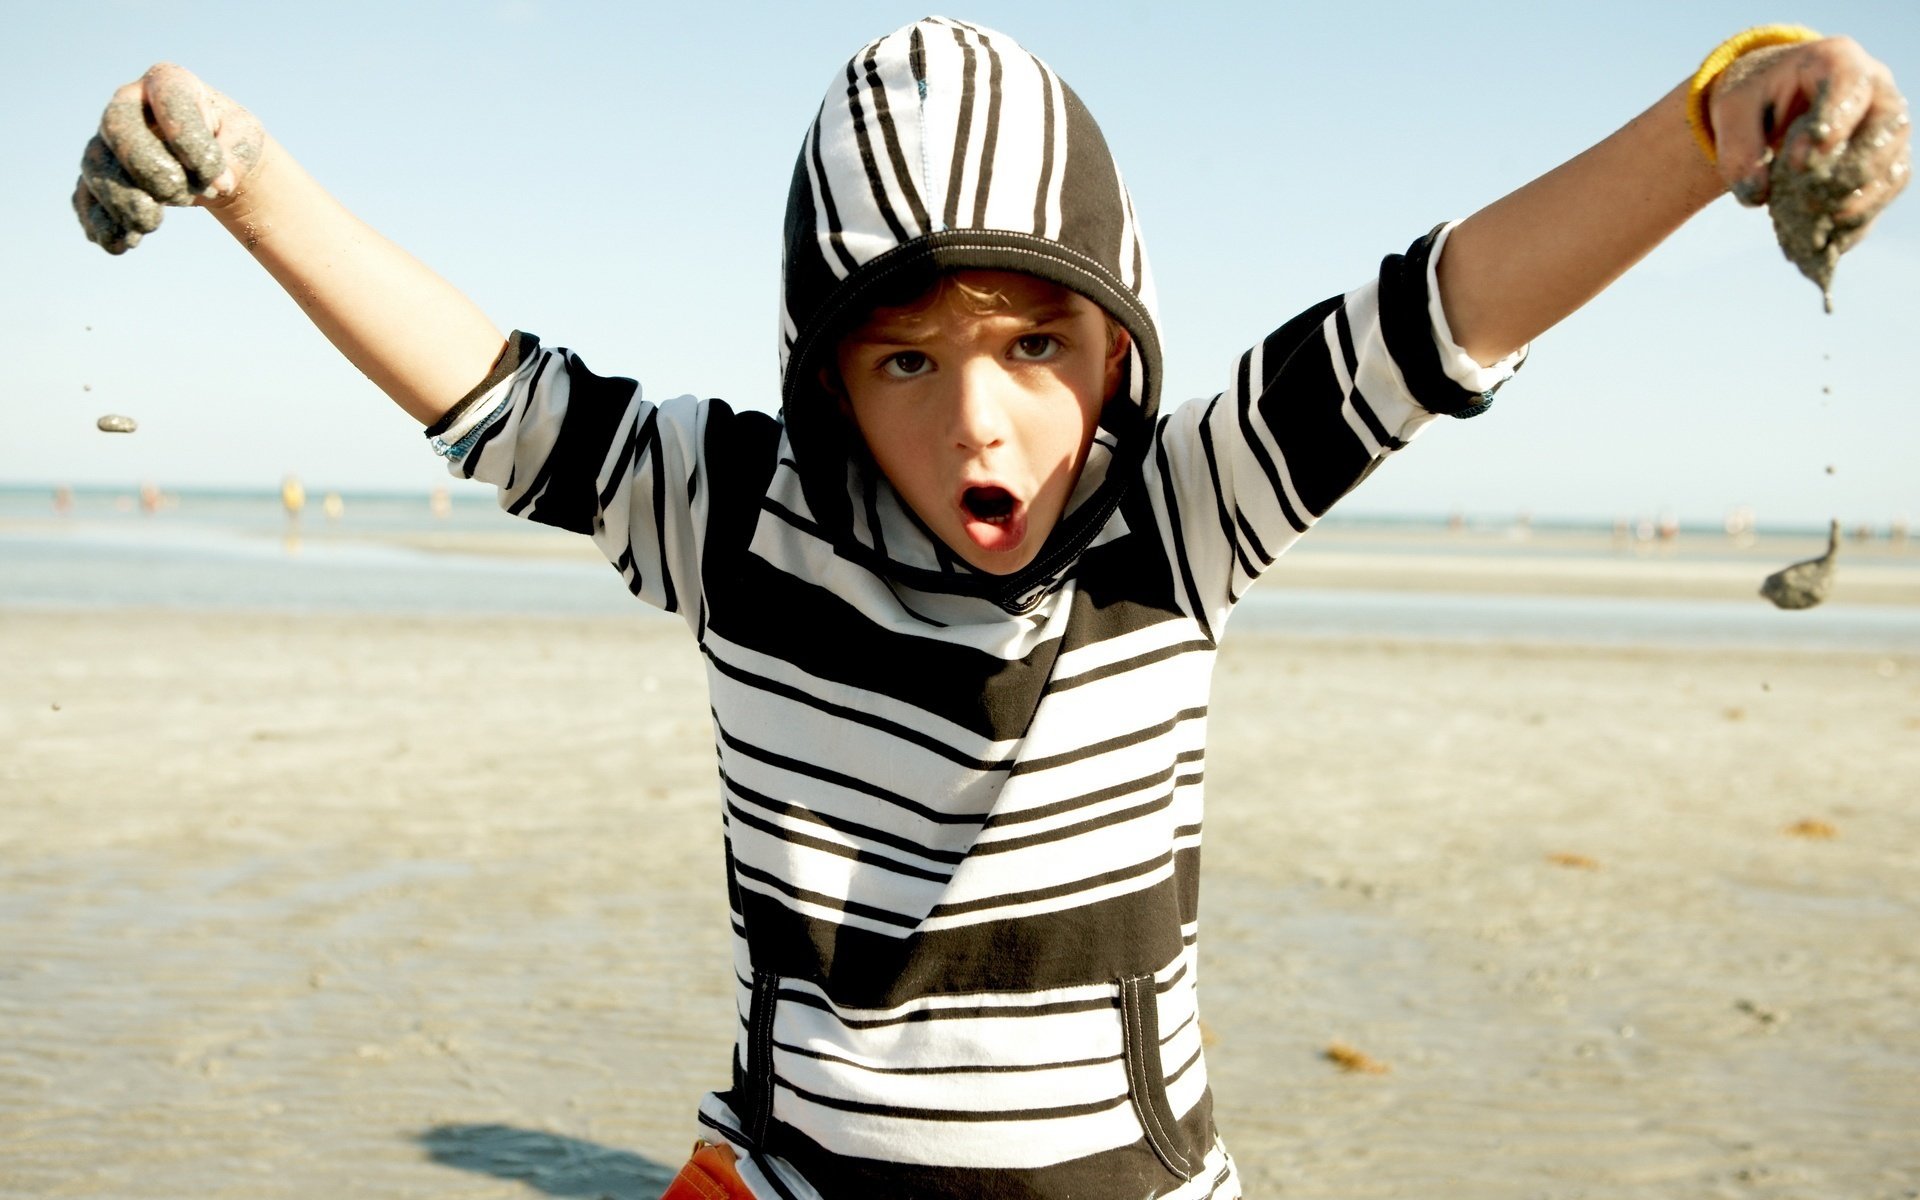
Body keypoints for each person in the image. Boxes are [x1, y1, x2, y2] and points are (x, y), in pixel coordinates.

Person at [71, 17, 1907, 1200]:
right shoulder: (734, 519)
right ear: (823, 374)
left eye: (1037, 343)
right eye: (905, 357)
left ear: (1118, 341)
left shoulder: (1178, 517)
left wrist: (1715, 120)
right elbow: (493, 386)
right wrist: (244, 174)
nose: (980, 415)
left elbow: (1446, 313)